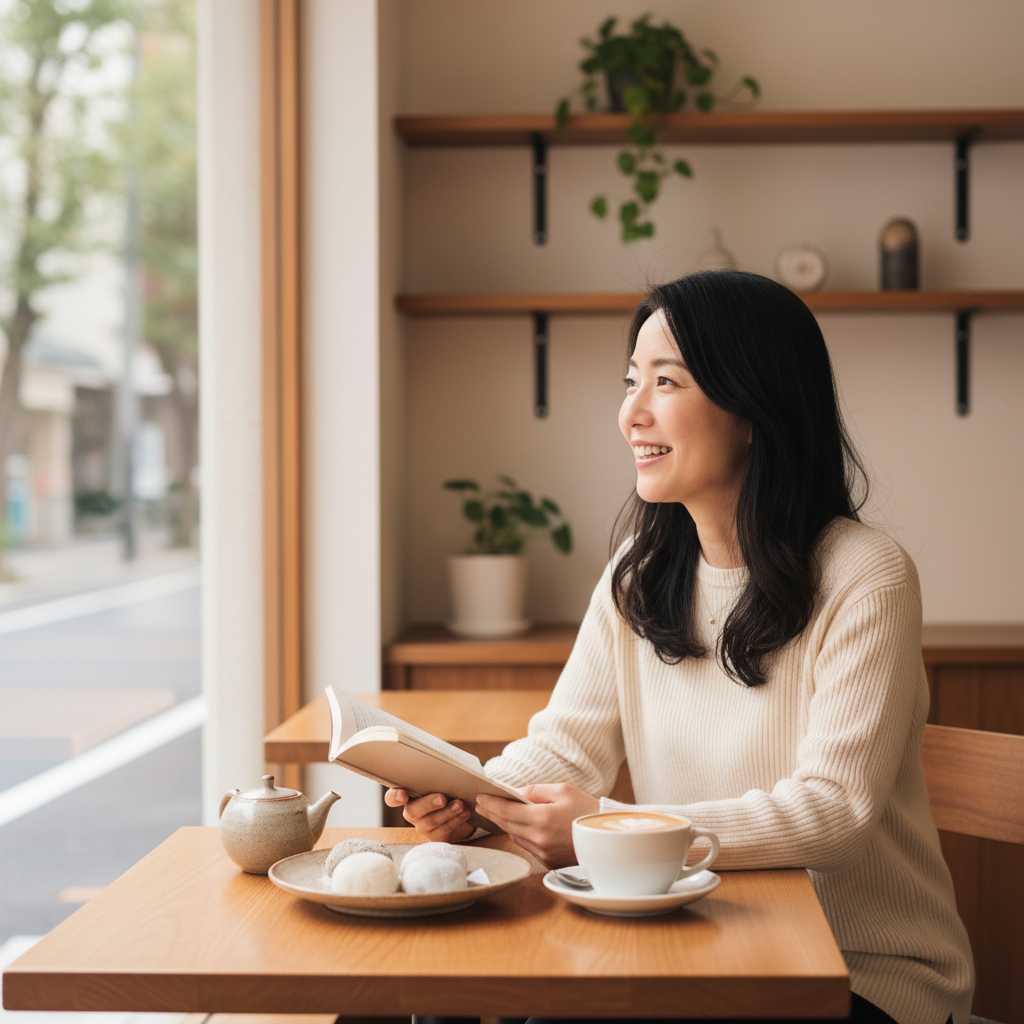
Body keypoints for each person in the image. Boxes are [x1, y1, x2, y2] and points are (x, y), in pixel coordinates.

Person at [387, 271, 974, 1024]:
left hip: (856, 972)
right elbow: (565, 750)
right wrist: (473, 798)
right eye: (632, 380)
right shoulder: (640, 572)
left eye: (667, 381)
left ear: (755, 406)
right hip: (683, 943)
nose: (632, 412)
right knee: (452, 996)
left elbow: (836, 814)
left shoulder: (866, 576)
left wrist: (612, 828)